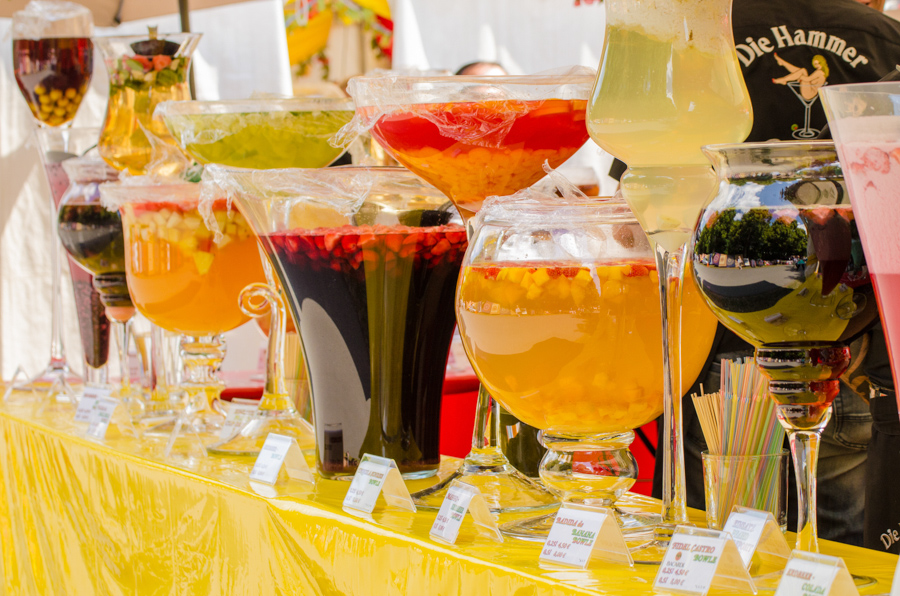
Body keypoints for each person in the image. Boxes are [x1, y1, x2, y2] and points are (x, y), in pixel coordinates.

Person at [611, 0, 900, 549]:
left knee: (724, 535)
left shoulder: (694, 32)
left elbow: (642, 209)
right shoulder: (885, 38)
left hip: (721, 335)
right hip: (855, 333)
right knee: (840, 539)